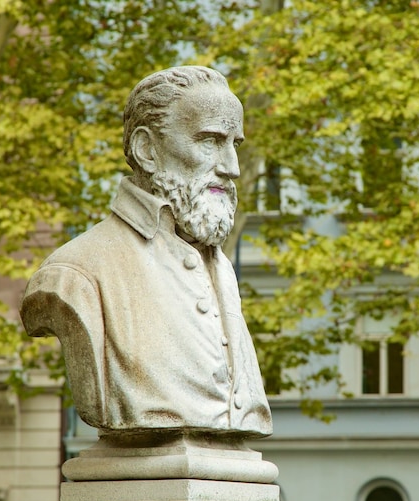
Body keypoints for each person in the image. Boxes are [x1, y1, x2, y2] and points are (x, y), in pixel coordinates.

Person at [20, 66, 272, 438]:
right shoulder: (75, 275)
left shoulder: (219, 266)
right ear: (147, 150)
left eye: (235, 144)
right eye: (210, 141)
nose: (231, 168)